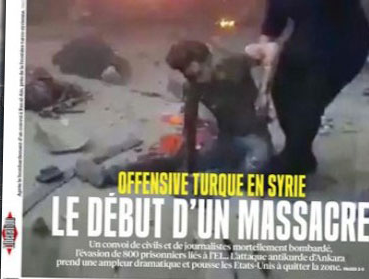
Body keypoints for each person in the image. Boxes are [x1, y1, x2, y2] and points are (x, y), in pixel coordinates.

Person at [255, 0, 369, 175]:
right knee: (282, 90)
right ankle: (301, 156)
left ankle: (290, 164)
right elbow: (274, 23)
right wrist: (263, 64)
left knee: (309, 102)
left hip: (344, 44)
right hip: (308, 36)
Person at [76, 39, 272, 186]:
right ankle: (110, 174)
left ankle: (216, 179)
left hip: (255, 137)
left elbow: (272, 53)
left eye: (199, 73)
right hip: (225, 139)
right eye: (191, 76)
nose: (197, 80)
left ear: (209, 60)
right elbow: (189, 127)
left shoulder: (235, 64)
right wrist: (188, 169)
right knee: (175, 162)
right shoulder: (193, 87)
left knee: (255, 173)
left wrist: (265, 92)